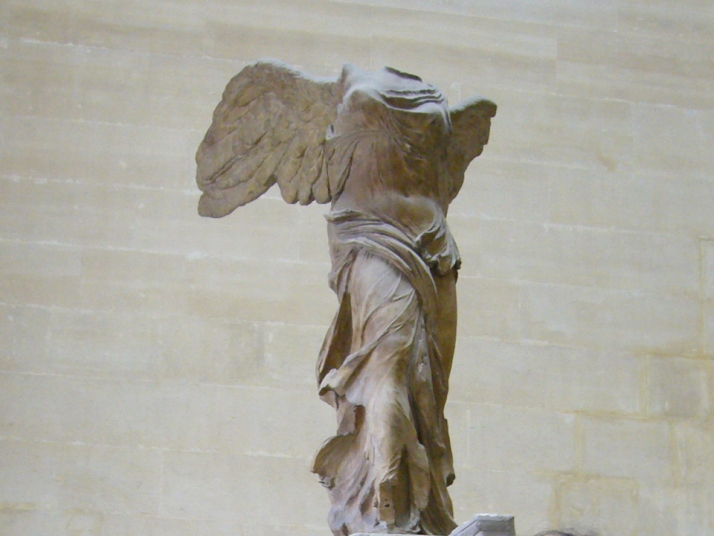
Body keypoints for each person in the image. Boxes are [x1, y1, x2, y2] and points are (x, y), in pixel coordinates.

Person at [196, 60, 495, 536]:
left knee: (427, 391)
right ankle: (388, 495)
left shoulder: (432, 99)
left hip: (436, 248)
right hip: (375, 243)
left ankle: (419, 502)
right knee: (387, 367)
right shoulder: (346, 91)